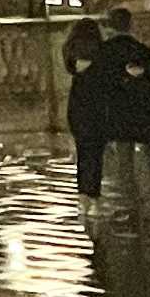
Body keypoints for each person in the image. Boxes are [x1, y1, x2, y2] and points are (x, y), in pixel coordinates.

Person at [82, 6, 150, 223]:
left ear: (111, 26)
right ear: (130, 25)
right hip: (145, 114)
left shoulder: (103, 54)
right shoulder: (145, 52)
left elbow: (99, 90)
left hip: (118, 116)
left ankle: (130, 206)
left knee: (124, 164)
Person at [61, 13, 107, 201]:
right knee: (96, 153)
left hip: (78, 107)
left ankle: (83, 190)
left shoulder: (72, 56)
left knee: (83, 151)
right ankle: (93, 190)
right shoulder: (101, 55)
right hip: (97, 106)